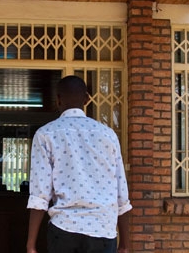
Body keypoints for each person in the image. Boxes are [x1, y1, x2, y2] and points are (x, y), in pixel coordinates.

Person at [26, 75, 132, 253]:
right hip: (103, 230)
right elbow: (121, 194)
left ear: (58, 100)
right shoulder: (108, 135)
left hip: (64, 229)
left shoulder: (46, 134)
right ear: (87, 99)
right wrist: (125, 244)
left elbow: (39, 195)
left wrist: (31, 245)